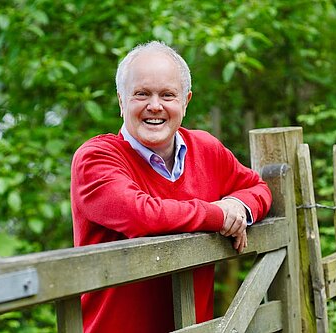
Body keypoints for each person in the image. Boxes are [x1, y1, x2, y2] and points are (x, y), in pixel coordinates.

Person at [70, 41, 272, 333]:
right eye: (141, 94)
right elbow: (143, 216)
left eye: (167, 95)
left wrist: (237, 206)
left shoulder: (206, 149)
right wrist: (217, 215)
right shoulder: (96, 158)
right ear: (121, 100)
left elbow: (258, 188)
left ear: (185, 101)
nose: (155, 106)